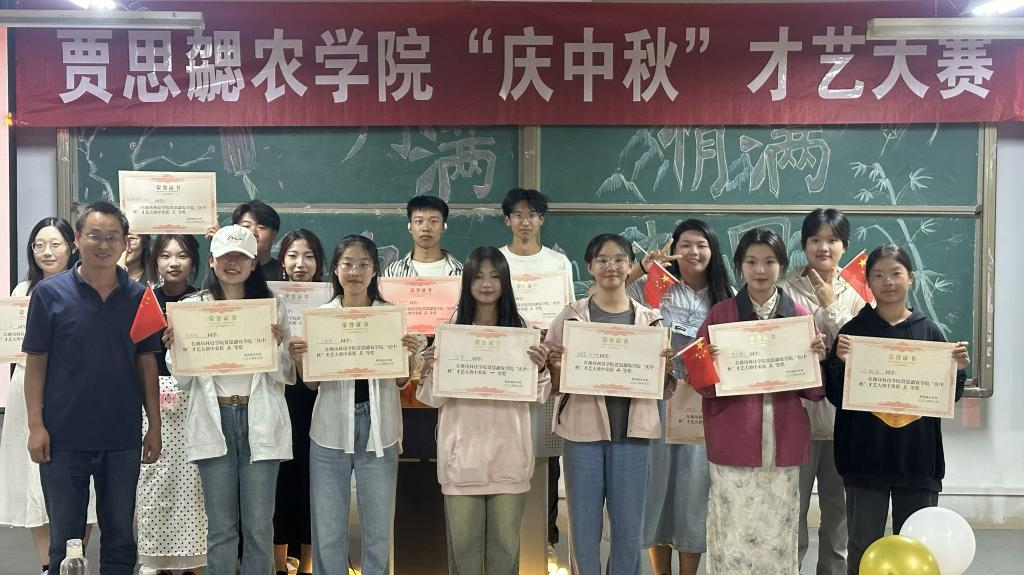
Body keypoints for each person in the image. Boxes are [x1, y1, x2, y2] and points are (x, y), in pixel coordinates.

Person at [23, 202, 163, 574]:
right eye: (94, 236)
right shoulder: (48, 293)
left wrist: (155, 426)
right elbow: (36, 363)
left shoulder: (140, 296)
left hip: (121, 437)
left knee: (120, 540)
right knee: (64, 542)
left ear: (125, 242)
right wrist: (36, 425)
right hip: (62, 437)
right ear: (77, 239)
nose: (103, 245)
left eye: (112, 237)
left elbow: (146, 364)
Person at [822, 244, 969, 575]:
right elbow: (835, 395)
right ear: (868, 282)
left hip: (917, 458)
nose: (888, 281)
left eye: (895, 273)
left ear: (910, 278)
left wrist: (958, 370)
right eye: (878, 275)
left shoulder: (930, 333)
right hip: (864, 458)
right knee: (863, 546)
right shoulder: (853, 334)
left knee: (918, 547)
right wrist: (837, 363)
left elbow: (948, 397)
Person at [694, 228, 827, 575]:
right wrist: (707, 363)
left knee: (778, 533)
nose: (760, 270)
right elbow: (701, 384)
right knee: (733, 533)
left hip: (782, 443)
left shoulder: (798, 315)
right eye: (751, 261)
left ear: (781, 265)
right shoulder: (722, 315)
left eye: (769, 261)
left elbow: (814, 392)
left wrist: (816, 360)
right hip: (733, 441)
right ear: (740, 265)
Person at [164, 225, 296, 575]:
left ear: (253, 263)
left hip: (259, 417)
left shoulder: (272, 307)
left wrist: (276, 346)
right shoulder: (192, 308)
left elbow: (287, 374)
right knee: (220, 528)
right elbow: (184, 380)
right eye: (225, 257)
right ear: (212, 261)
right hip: (215, 418)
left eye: (241, 257)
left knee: (259, 527)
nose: (232, 264)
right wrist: (176, 349)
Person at [288, 235, 422, 575]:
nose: (355, 271)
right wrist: (301, 359)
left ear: (374, 270)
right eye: (347, 264)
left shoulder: (389, 316)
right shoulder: (320, 317)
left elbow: (400, 381)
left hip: (380, 428)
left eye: (363, 264)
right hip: (330, 427)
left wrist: (408, 356)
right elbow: (312, 384)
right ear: (336, 269)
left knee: (378, 526)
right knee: (328, 526)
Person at [545, 233, 676, 575]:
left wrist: (664, 369)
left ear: (631, 266)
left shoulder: (651, 321)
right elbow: (550, 382)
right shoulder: (570, 317)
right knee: (583, 528)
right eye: (602, 260)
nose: (611, 266)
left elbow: (662, 389)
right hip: (582, 434)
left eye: (619, 259)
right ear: (590, 267)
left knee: (629, 530)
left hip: (633, 436)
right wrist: (553, 365)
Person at [416, 247, 551, 575]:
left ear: (505, 281)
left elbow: (538, 395)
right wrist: (430, 368)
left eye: (494, 276)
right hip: (462, 461)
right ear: (467, 282)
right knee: (464, 555)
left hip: (509, 458)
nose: (486, 284)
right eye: (478, 277)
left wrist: (541, 368)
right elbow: (433, 399)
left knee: (506, 553)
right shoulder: (452, 331)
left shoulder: (523, 331)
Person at [626, 220, 733, 575]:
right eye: (685, 245)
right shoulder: (655, 287)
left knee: (694, 486)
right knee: (656, 483)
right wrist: (643, 268)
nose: (693, 252)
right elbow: (608, 294)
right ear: (673, 251)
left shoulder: (727, 296)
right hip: (657, 397)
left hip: (703, 402)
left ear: (713, 250)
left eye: (701, 244)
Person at [0, 217, 97, 575]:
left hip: (73, 392)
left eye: (55, 244)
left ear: (72, 247)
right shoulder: (21, 291)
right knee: (33, 482)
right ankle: (48, 567)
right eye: (39, 245)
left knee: (79, 482)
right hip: (27, 389)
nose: (46, 252)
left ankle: (75, 560)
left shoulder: (86, 287)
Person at [780, 208, 864, 575]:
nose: (823, 247)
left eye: (832, 240)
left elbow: (861, 351)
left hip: (842, 422)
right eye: (815, 239)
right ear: (804, 244)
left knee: (838, 512)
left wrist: (830, 304)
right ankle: (789, 568)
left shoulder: (859, 294)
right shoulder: (784, 290)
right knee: (790, 509)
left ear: (845, 245)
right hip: (792, 419)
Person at [497, 187, 571, 551]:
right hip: (505, 364)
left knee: (548, 452)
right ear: (507, 220)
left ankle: (547, 533)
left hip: (546, 362)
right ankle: (504, 531)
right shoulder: (495, 261)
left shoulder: (559, 264)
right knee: (505, 444)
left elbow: (569, 312)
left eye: (532, 215)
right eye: (518, 215)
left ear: (541, 220)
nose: (525, 221)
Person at [137, 234, 207, 575]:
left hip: (195, 398)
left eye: (182, 255)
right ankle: (155, 560)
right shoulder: (144, 299)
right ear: (156, 261)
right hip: (152, 399)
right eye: (165, 256)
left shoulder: (204, 301)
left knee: (195, 485)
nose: (174, 263)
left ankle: (195, 561)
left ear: (194, 260)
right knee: (153, 480)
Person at [273, 229, 326, 575]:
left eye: (308, 256)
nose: (300, 264)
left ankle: (307, 565)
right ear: (282, 261)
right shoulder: (266, 299)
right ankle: (278, 565)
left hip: (317, 399)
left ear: (319, 262)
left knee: (311, 483)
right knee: (279, 481)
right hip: (279, 399)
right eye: (292, 255)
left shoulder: (330, 301)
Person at [383, 195, 463, 277]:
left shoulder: (461, 272)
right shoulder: (393, 272)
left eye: (434, 221)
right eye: (419, 221)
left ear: (443, 227)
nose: (425, 228)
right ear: (410, 227)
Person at [233, 199, 285, 281]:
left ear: (274, 234)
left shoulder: (284, 273)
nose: (253, 232)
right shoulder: (226, 269)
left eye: (261, 227)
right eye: (246, 226)